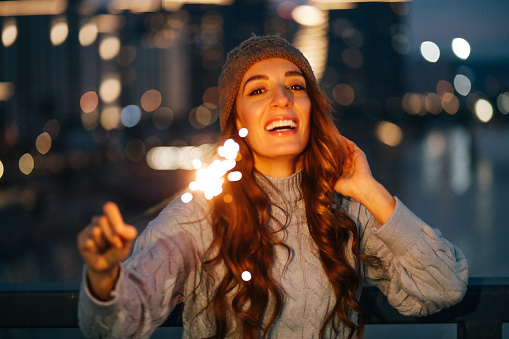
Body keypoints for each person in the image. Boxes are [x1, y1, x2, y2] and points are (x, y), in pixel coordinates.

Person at [77, 35, 468, 339]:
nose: (282, 100)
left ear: (311, 107)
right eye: (258, 90)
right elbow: (116, 327)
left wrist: (369, 190)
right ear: (237, 120)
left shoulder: (344, 209)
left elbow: (444, 286)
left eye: (296, 87)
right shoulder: (200, 214)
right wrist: (103, 277)